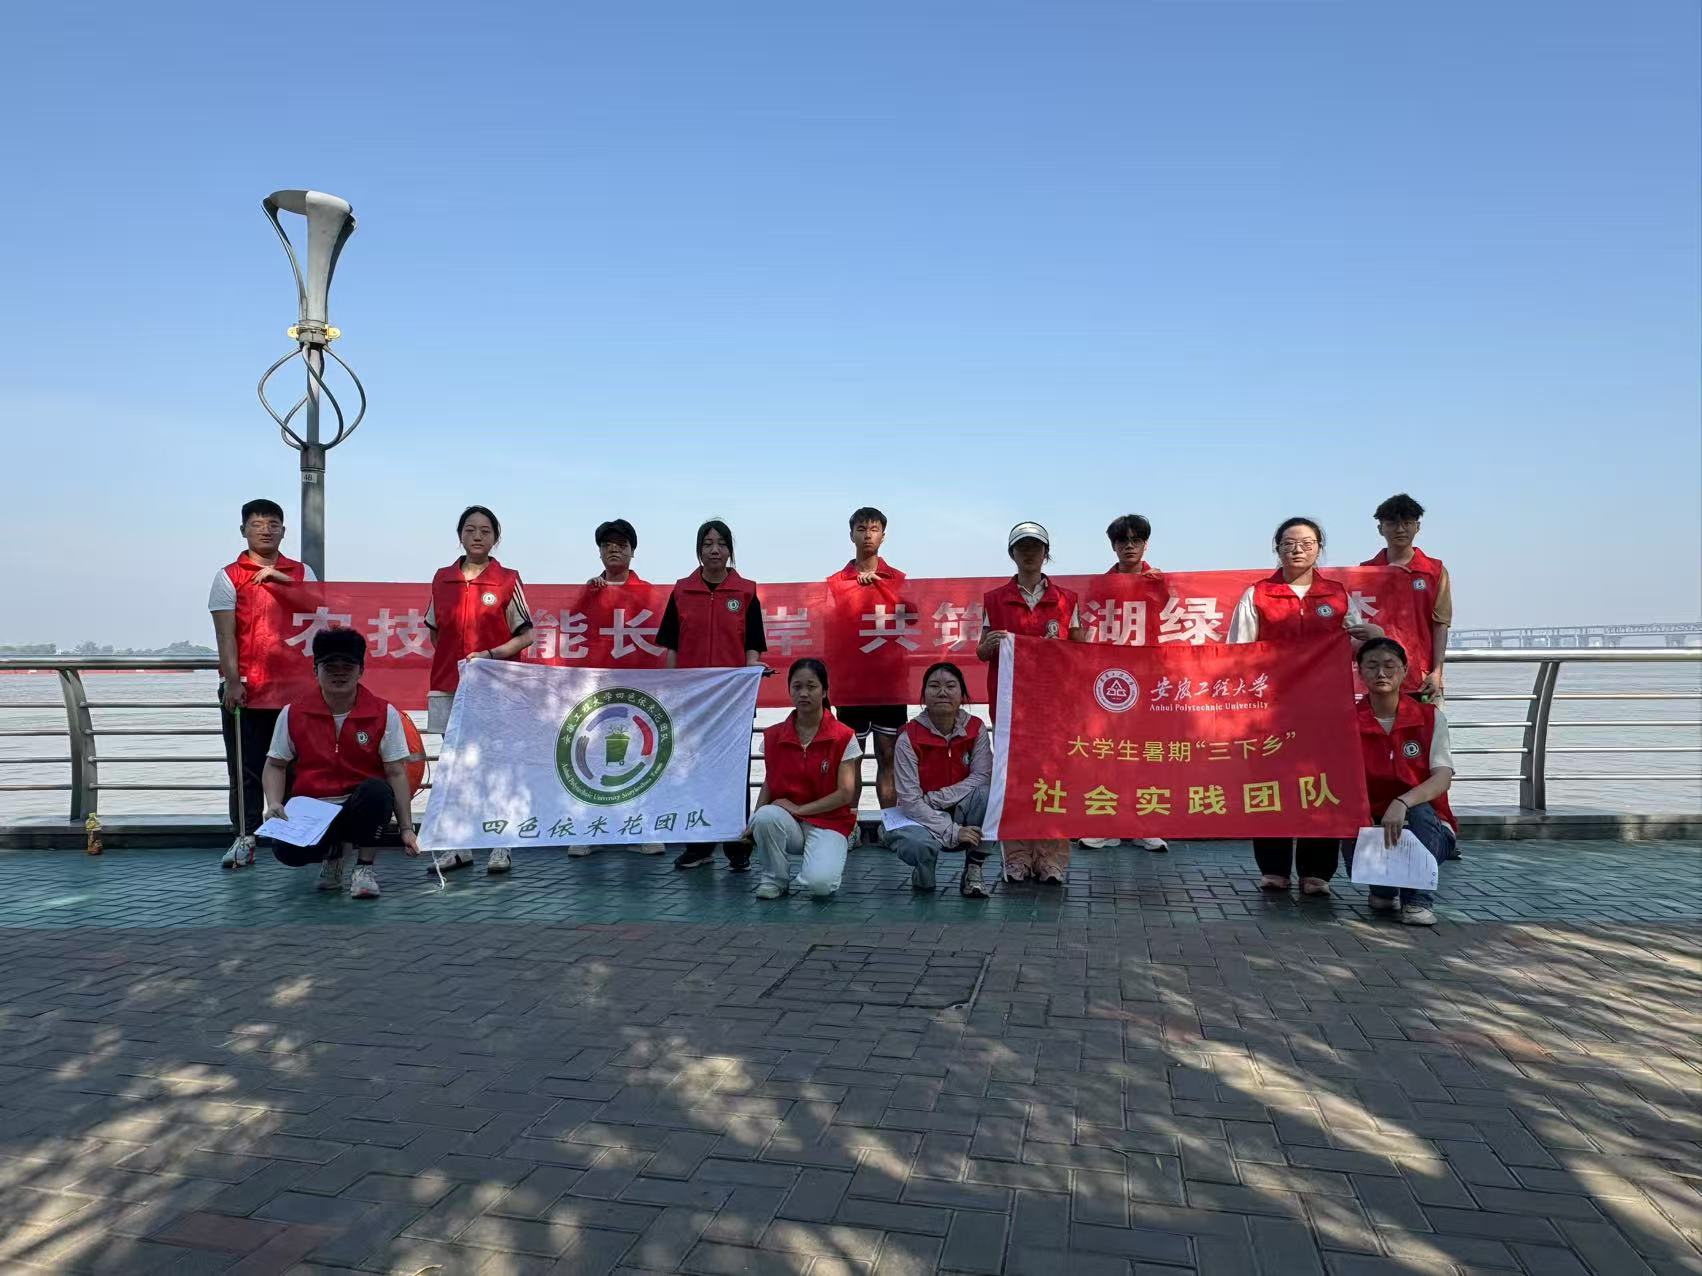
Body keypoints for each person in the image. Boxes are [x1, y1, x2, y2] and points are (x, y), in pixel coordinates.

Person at [1230, 517, 1383, 897]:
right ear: (1277, 548)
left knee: (1322, 785)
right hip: (1271, 711)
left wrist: (1374, 637)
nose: (1297, 549)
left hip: (1326, 710)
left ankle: (1317, 872)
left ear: (1319, 548)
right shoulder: (1257, 595)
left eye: (1307, 543)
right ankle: (1274, 869)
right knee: (1270, 786)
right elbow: (1237, 654)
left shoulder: (1336, 595)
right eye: (1289, 543)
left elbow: (1356, 646)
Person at [260, 627, 421, 899]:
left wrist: (406, 828)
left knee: (378, 791)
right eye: (329, 666)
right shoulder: (293, 713)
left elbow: (396, 772)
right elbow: (275, 764)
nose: (339, 673)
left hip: (359, 804)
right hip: (314, 810)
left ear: (361, 671)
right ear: (315, 670)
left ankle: (364, 868)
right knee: (285, 851)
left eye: (348, 666)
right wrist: (273, 803)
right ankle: (334, 855)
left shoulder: (384, 713)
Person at [423, 505, 533, 876]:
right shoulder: (442, 579)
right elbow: (436, 631)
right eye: (470, 529)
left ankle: (501, 843)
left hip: (496, 687)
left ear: (495, 538)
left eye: (485, 531)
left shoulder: (507, 580)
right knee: (454, 767)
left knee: (497, 765)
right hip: (448, 685)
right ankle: (458, 846)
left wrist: (488, 656)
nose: (477, 536)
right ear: (460, 535)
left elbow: (526, 635)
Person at [209, 498, 319, 870]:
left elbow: (319, 610)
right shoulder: (229, 576)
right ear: (243, 530)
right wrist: (232, 681)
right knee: (246, 768)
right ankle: (245, 837)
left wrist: (283, 581)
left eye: (273, 524)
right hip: (248, 689)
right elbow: (225, 635)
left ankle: (298, 837)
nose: (266, 530)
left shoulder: (302, 572)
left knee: (300, 766)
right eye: (257, 524)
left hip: (297, 691)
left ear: (284, 531)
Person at [977, 521, 1084, 884]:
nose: (1028, 552)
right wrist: (991, 645)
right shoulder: (994, 599)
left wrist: (1062, 648)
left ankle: (1052, 859)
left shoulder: (1067, 600)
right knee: (1015, 781)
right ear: (1012, 553)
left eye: (1035, 546)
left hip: (1055, 708)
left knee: (1055, 780)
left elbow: (1082, 651)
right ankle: (1017, 857)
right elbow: (981, 651)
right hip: (1010, 707)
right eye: (1021, 546)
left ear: (1045, 553)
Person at [658, 520, 768, 871]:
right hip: (692, 702)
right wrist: (672, 693)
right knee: (694, 771)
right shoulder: (681, 591)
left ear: (730, 550)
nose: (715, 549)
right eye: (707, 543)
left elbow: (753, 646)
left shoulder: (746, 592)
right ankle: (699, 846)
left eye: (721, 543)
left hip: (733, 702)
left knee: (735, 773)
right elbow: (672, 647)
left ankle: (738, 845)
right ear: (699, 550)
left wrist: (749, 681)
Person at [569, 518, 665, 857]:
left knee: (643, 756)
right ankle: (588, 829)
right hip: (597, 691)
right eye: (607, 544)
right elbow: (571, 631)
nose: (614, 549)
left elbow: (664, 639)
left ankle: (643, 828)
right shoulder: (590, 591)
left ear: (632, 551)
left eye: (621, 544)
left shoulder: (648, 593)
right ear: (599, 552)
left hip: (639, 692)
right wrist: (586, 596)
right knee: (590, 756)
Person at [1346, 638, 1456, 926]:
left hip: (1428, 825)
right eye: (1372, 666)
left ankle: (1417, 901)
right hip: (1371, 823)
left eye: (1389, 666)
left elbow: (1443, 777)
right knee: (1382, 897)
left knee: (1419, 812)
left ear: (1405, 670)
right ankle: (1382, 888)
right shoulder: (1347, 721)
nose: (1381, 673)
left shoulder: (1429, 717)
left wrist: (1403, 802)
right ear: (1360, 672)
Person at [1082, 513, 1169, 854]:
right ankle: (1106, 825)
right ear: (1113, 546)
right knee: (1108, 751)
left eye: (1136, 540)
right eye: (1122, 541)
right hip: (1109, 682)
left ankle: (1144, 825)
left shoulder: (1159, 582)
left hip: (1149, 680)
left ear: (1146, 544)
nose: (1129, 546)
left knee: (1146, 752)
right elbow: (1087, 631)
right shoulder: (1099, 587)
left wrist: (1159, 588)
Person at [745, 659, 860, 899]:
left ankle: (829, 852)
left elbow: (845, 794)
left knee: (821, 886)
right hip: (788, 820)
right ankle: (774, 879)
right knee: (764, 817)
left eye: (811, 686)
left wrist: (799, 809)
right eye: (797, 687)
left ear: (824, 691)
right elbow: (769, 781)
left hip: (829, 822)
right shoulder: (773, 735)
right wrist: (753, 820)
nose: (804, 693)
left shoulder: (843, 736)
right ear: (789, 690)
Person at [828, 507, 908, 830]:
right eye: (861, 529)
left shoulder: (899, 580)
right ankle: (849, 826)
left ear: (883, 536)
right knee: (852, 758)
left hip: (890, 684)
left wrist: (881, 590)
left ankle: (891, 825)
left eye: (874, 529)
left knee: (888, 756)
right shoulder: (835, 583)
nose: (867, 535)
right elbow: (828, 629)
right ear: (851, 535)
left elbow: (914, 620)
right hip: (851, 686)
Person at [888, 662, 995, 898]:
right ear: (923, 695)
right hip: (918, 814)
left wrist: (937, 798)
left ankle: (974, 868)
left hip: (952, 806)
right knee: (918, 846)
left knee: (989, 795)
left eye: (951, 686)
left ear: (962, 694)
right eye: (934, 686)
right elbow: (910, 801)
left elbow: (982, 776)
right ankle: (924, 867)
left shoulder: (976, 729)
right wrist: (952, 831)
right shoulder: (908, 737)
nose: (943, 692)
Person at [1362, 494, 1453, 699]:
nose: (1400, 529)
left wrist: (1437, 672)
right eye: (1392, 523)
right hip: (1376, 677)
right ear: (1380, 529)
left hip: (1422, 677)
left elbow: (1440, 624)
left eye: (1407, 523)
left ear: (1417, 527)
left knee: (1427, 721)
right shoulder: (1365, 573)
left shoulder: (1434, 571)